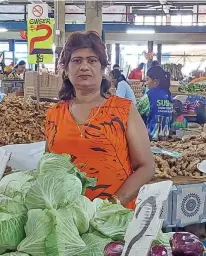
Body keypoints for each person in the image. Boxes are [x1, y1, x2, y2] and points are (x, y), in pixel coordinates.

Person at [45, 31, 155, 208]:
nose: (84, 66)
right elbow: (49, 166)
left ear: (102, 69)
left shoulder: (123, 110)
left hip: (114, 219)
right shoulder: (54, 114)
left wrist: (112, 205)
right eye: (77, 60)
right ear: (65, 69)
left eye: (92, 60)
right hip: (67, 218)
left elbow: (146, 167)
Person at [137, 66, 173, 140]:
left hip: (150, 140)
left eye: (147, 79)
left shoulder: (149, 96)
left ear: (155, 81)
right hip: (166, 139)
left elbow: (135, 112)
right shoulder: (168, 95)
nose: (146, 83)